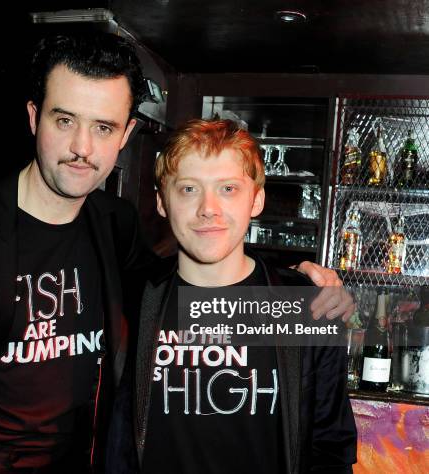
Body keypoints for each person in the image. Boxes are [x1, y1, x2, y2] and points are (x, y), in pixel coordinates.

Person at [0, 33, 353, 473]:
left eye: (103, 127)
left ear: (126, 135)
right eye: (64, 119)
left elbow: (195, 270)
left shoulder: (114, 225)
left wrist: (298, 285)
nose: (82, 147)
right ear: (33, 117)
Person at [108, 119, 357, 474]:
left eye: (227, 188)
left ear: (256, 200)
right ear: (162, 202)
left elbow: (331, 450)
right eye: (189, 189)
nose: (208, 208)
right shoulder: (127, 300)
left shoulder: (308, 308)